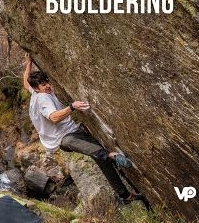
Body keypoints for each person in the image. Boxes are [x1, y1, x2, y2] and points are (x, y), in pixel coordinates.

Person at [23, 53, 141, 203]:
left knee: (100, 158)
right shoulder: (42, 98)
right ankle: (113, 156)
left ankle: (125, 195)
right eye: (43, 84)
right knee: (98, 152)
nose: (47, 85)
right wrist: (72, 107)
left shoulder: (34, 92)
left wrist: (28, 63)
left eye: (47, 81)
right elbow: (53, 117)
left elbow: (26, 82)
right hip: (64, 138)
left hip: (73, 131)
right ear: (37, 88)